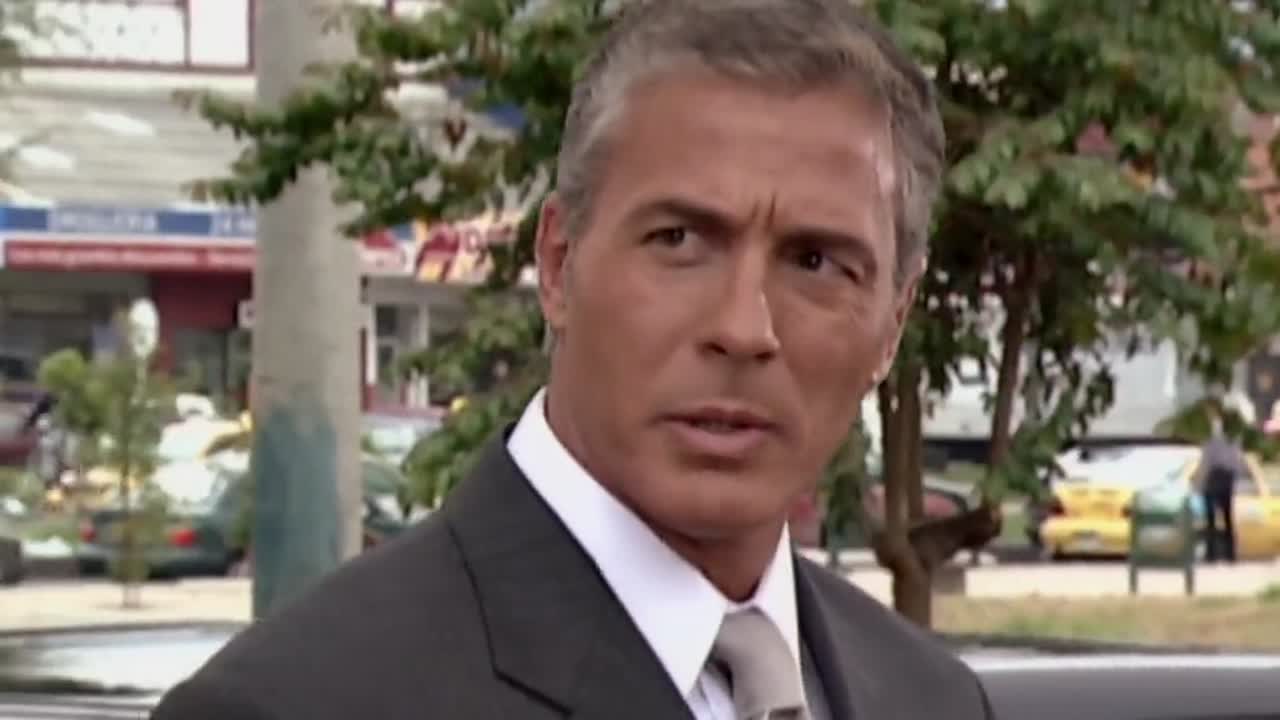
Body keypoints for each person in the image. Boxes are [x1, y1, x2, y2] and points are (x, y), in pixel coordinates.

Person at [152, 1, 993, 718]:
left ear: (893, 322)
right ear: (558, 263)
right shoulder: (294, 704)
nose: (744, 328)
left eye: (815, 261)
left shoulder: (933, 700)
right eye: (679, 240)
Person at [1196, 412, 1248, 564]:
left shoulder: (1211, 441)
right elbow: (1238, 464)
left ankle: (1211, 555)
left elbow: (1206, 463)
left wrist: (1199, 484)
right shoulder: (1235, 441)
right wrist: (1235, 479)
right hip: (1227, 480)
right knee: (1227, 517)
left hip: (1213, 479)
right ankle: (1230, 555)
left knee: (1211, 519)